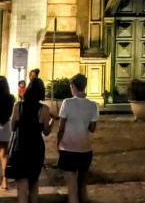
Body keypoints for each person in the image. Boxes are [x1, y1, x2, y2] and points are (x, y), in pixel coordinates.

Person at [5, 71, 54, 203]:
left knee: (22, 187)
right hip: (36, 149)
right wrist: (52, 122)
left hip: (20, 148)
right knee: (34, 184)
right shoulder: (44, 109)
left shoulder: (18, 106)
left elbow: (12, 128)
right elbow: (46, 132)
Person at [54, 73, 98, 203]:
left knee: (72, 190)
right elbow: (92, 128)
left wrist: (58, 144)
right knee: (82, 187)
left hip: (69, 149)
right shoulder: (93, 105)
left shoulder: (67, 103)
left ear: (73, 86)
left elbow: (61, 128)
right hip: (85, 151)